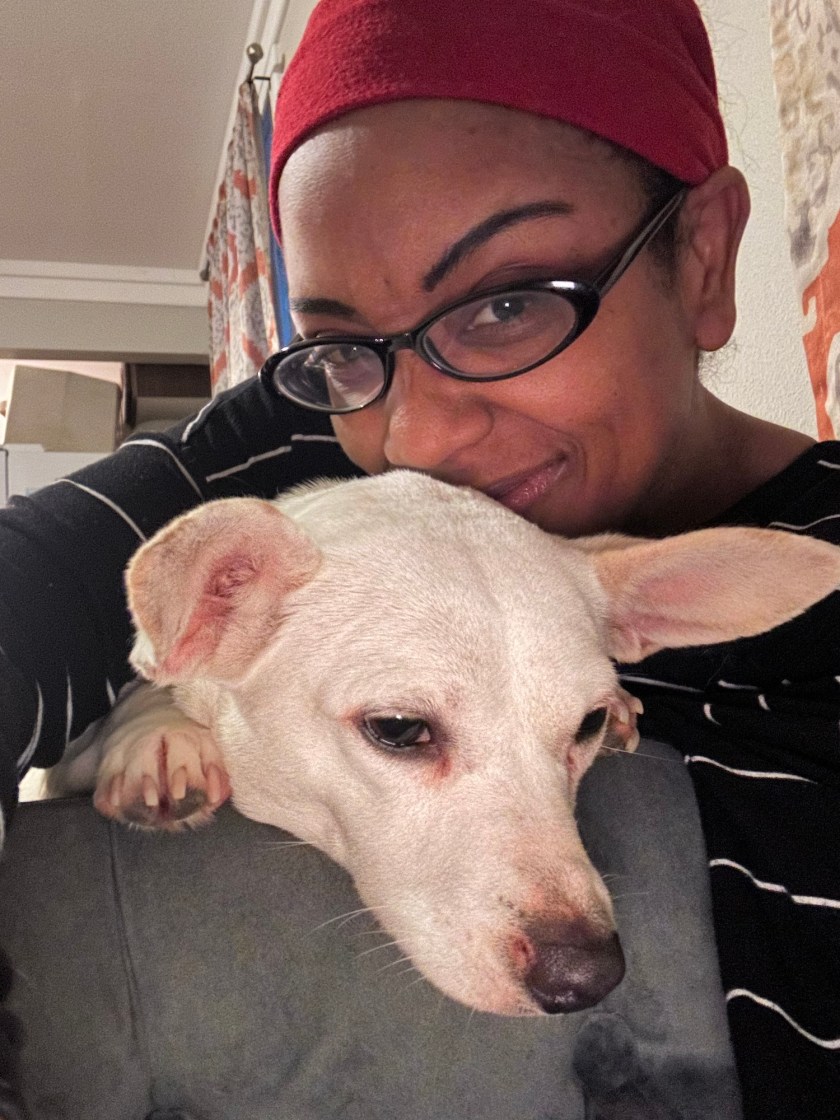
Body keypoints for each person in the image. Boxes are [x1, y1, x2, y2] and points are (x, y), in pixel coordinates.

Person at [0, 0, 836, 1116]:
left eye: (506, 305)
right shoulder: (299, 441)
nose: (416, 440)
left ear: (705, 258)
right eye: (342, 344)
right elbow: (32, 590)